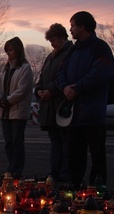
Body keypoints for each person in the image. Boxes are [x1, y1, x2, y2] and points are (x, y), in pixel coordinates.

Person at [56, 11, 114, 189]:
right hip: (74, 114)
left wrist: (76, 88)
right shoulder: (72, 50)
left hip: (92, 112)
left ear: (82, 26)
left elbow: (99, 74)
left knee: (97, 152)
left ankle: (97, 188)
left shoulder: (100, 48)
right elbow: (60, 71)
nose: (70, 29)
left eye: (72, 25)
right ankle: (75, 186)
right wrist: (64, 87)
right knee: (75, 152)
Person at [35, 24, 73, 183]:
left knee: (65, 142)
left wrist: (51, 90)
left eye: (54, 40)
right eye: (50, 41)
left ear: (63, 37)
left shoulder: (70, 52)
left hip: (61, 105)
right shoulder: (51, 56)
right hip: (49, 104)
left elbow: (67, 76)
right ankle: (54, 173)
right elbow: (42, 77)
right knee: (55, 142)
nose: (52, 44)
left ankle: (64, 175)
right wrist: (38, 90)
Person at [0, 37, 34, 178]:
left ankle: (16, 169)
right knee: (8, 142)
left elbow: (22, 90)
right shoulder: (5, 69)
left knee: (17, 141)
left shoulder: (25, 69)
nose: (8, 53)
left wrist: (7, 101)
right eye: (7, 50)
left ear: (18, 50)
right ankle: (11, 167)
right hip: (5, 111)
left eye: (10, 50)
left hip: (17, 111)